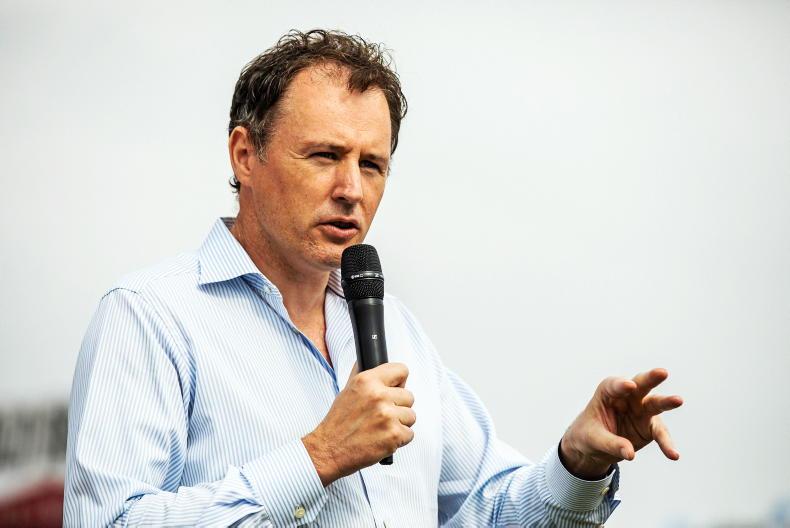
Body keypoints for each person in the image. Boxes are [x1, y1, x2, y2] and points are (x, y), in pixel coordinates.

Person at [64, 29, 683, 527]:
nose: (351, 190)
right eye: (325, 156)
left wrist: (577, 463)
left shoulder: (395, 330)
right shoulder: (150, 316)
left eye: (372, 165)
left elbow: (490, 511)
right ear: (245, 154)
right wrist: (319, 457)